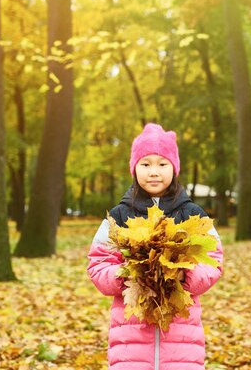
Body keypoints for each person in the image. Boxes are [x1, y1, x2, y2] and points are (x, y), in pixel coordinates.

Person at [87, 123, 224, 370]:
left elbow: (213, 258)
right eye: (145, 164)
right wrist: (126, 275)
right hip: (130, 336)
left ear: (174, 168)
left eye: (162, 164)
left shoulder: (192, 214)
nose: (154, 171)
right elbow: (98, 264)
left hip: (181, 336)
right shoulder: (119, 216)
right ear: (134, 168)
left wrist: (183, 275)